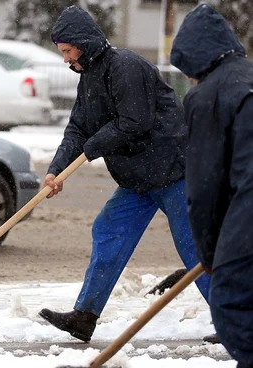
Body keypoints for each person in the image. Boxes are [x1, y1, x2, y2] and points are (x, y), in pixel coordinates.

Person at [37, 5, 211, 343]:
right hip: (137, 179)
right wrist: (55, 170)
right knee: (109, 231)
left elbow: (135, 121)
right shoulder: (88, 78)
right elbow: (77, 128)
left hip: (173, 169)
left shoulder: (125, 66)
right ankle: (85, 316)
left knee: (194, 246)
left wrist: (92, 148)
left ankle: (236, 320)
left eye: (68, 51)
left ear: (83, 43)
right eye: (62, 53)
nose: (65, 59)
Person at [170, 4, 253, 367]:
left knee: (231, 301)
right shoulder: (249, 78)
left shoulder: (208, 97)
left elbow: (203, 188)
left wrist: (210, 253)